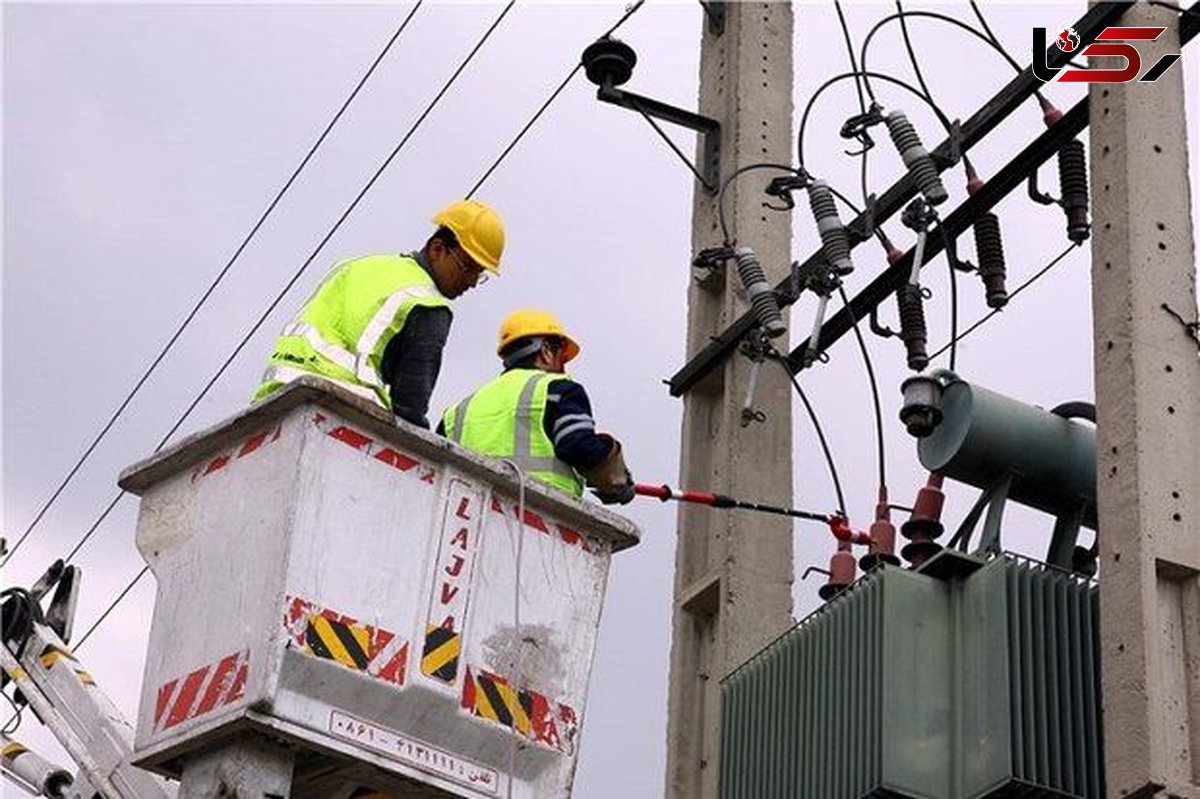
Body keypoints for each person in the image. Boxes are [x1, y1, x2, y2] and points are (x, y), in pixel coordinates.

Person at [251, 199, 504, 428]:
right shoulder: (428, 304)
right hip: (343, 412)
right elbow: (410, 407)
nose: (471, 282)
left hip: (273, 399)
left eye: (479, 274)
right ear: (437, 249)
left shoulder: (356, 266)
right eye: (468, 268)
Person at [438, 310, 635, 505]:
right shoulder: (557, 390)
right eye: (562, 357)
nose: (563, 367)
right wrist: (617, 481)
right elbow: (578, 446)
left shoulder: (459, 411)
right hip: (538, 518)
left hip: (465, 519)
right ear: (547, 351)